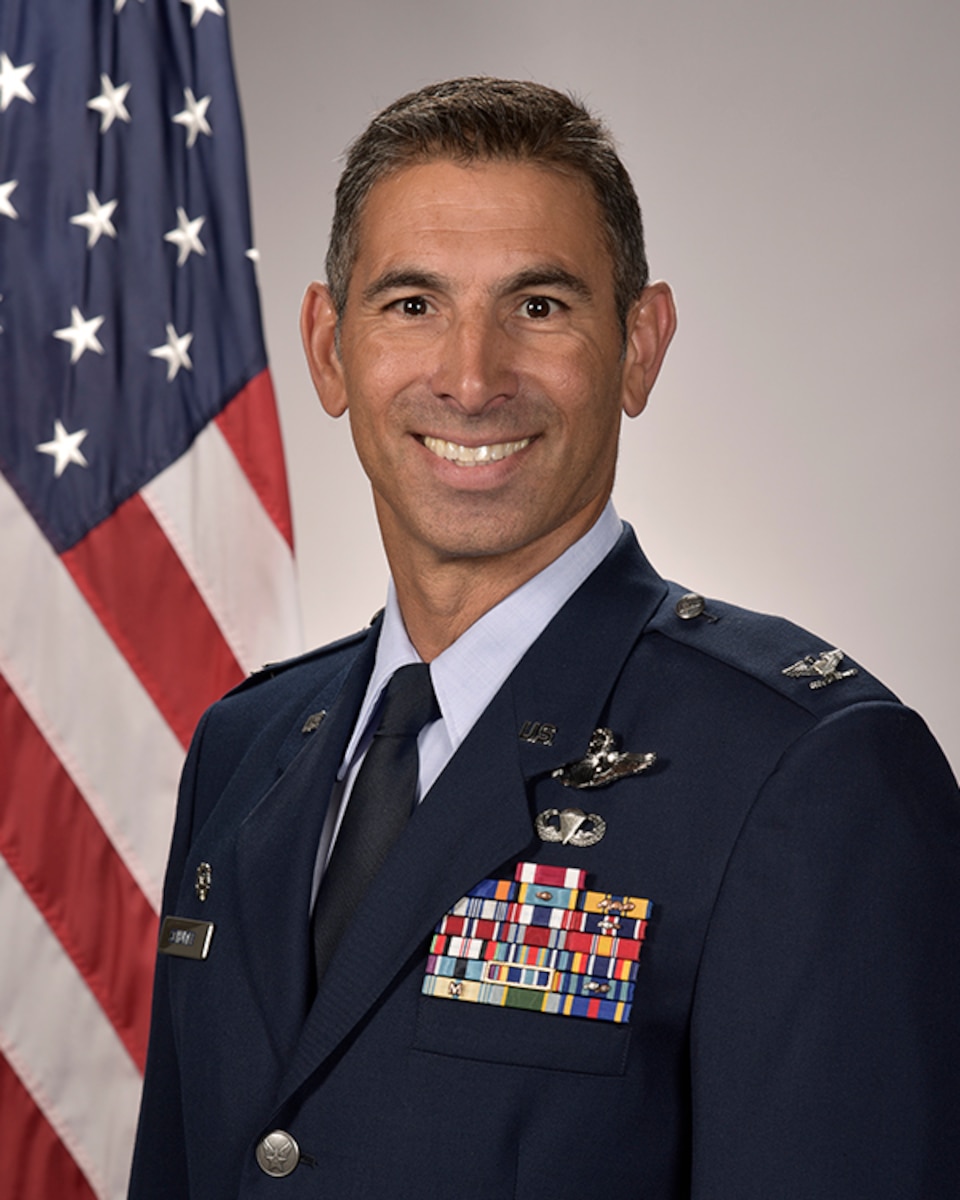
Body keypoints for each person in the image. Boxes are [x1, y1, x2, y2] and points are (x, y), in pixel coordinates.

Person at [129, 78, 960, 1199]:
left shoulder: (807, 773)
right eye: (413, 304)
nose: (471, 379)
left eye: (539, 306)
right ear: (330, 348)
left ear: (640, 345)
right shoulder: (244, 751)